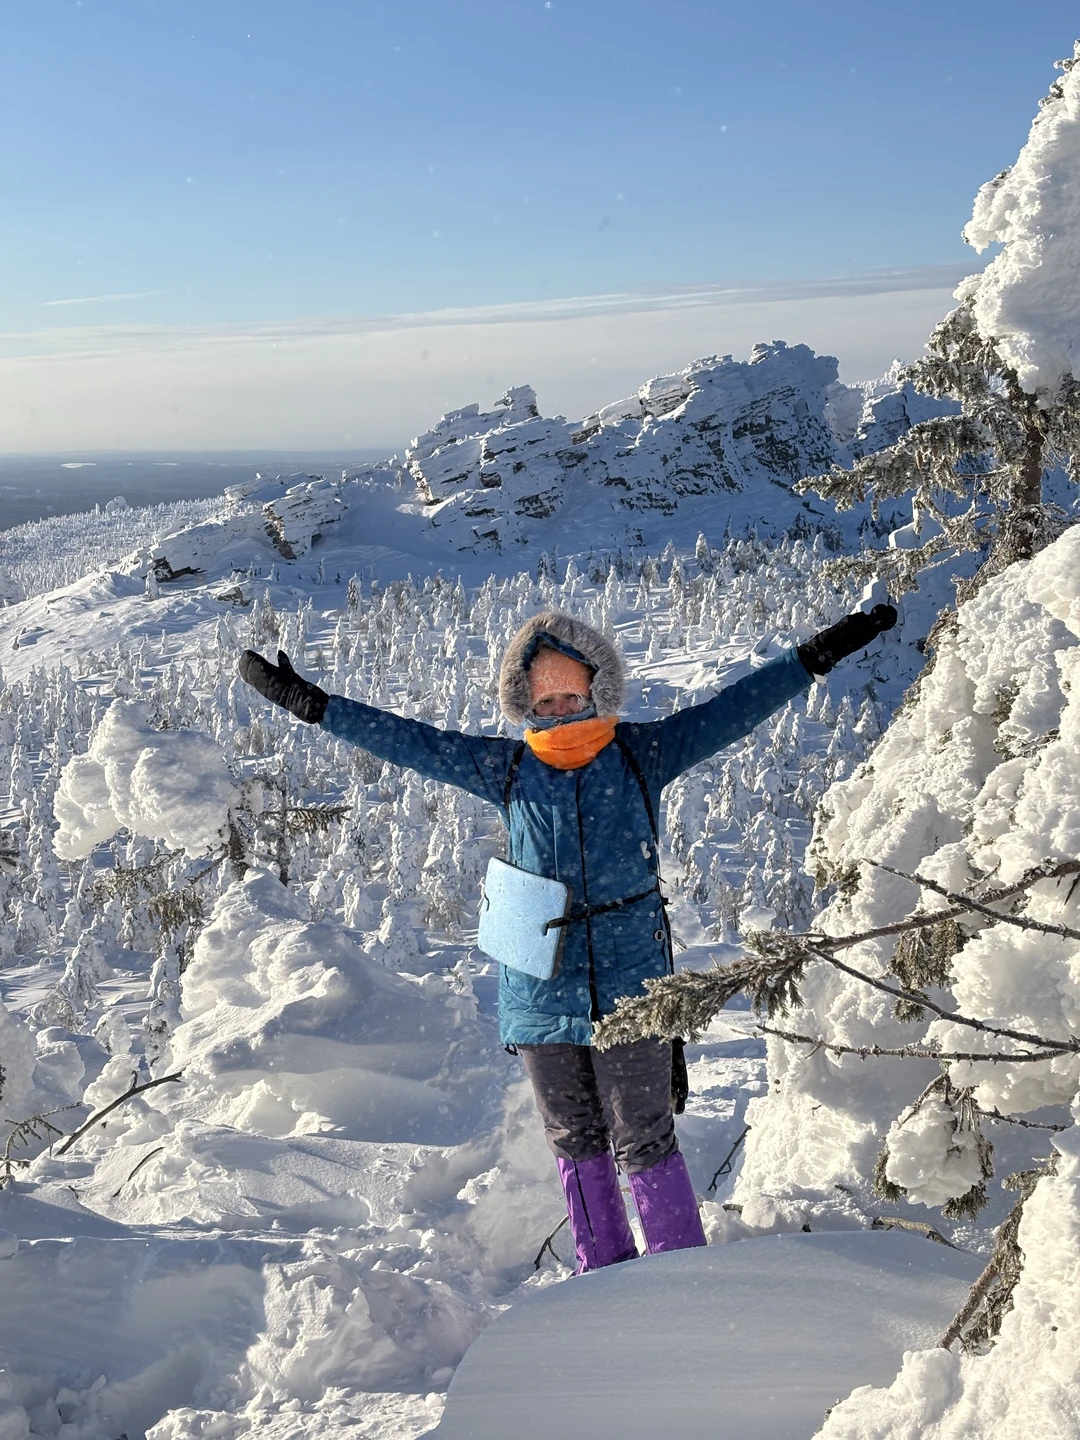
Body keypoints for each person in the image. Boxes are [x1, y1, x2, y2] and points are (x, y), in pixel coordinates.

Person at [239, 599, 896, 1272]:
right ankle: (602, 1279)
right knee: (574, 1138)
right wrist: (312, 704)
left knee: (644, 1135)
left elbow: (738, 707)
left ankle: (682, 1275)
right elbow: (407, 742)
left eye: (568, 694)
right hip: (538, 985)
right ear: (523, 702)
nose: (557, 709)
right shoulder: (508, 767)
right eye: (542, 699)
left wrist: (822, 651)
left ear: (597, 687)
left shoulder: (642, 754)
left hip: (633, 977)